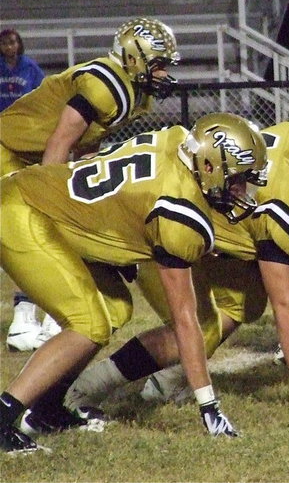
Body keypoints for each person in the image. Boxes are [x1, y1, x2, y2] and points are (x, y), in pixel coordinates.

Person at [0, 112, 269, 453]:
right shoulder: (179, 211)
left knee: (113, 310)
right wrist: (209, 407)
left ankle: (47, 408)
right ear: (211, 166)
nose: (243, 190)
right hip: (24, 209)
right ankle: (3, 419)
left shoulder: (178, 140)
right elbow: (185, 322)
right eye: (238, 179)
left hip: (54, 205)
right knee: (88, 324)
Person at [63, 124, 289, 415]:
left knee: (243, 302)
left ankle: (166, 383)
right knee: (200, 327)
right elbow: (285, 304)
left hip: (197, 228)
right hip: (166, 231)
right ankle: (87, 388)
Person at [1, 17, 180, 354]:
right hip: (9, 151)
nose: (163, 72)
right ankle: (25, 319)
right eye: (158, 64)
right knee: (35, 231)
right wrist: (52, 201)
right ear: (132, 58)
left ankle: (45, 319)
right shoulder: (106, 84)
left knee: (50, 235)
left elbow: (86, 143)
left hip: (30, 156)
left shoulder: (135, 96)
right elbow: (60, 140)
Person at [0, 28, 50, 352]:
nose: (10, 45)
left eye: (13, 40)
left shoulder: (31, 69)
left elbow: (41, 102)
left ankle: (29, 311)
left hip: (20, 146)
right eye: (5, 41)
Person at [0, 29, 44, 112]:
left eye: (12, 42)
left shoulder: (30, 67)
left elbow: (41, 91)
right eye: (4, 44)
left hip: (24, 117)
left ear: (19, 44)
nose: (8, 47)